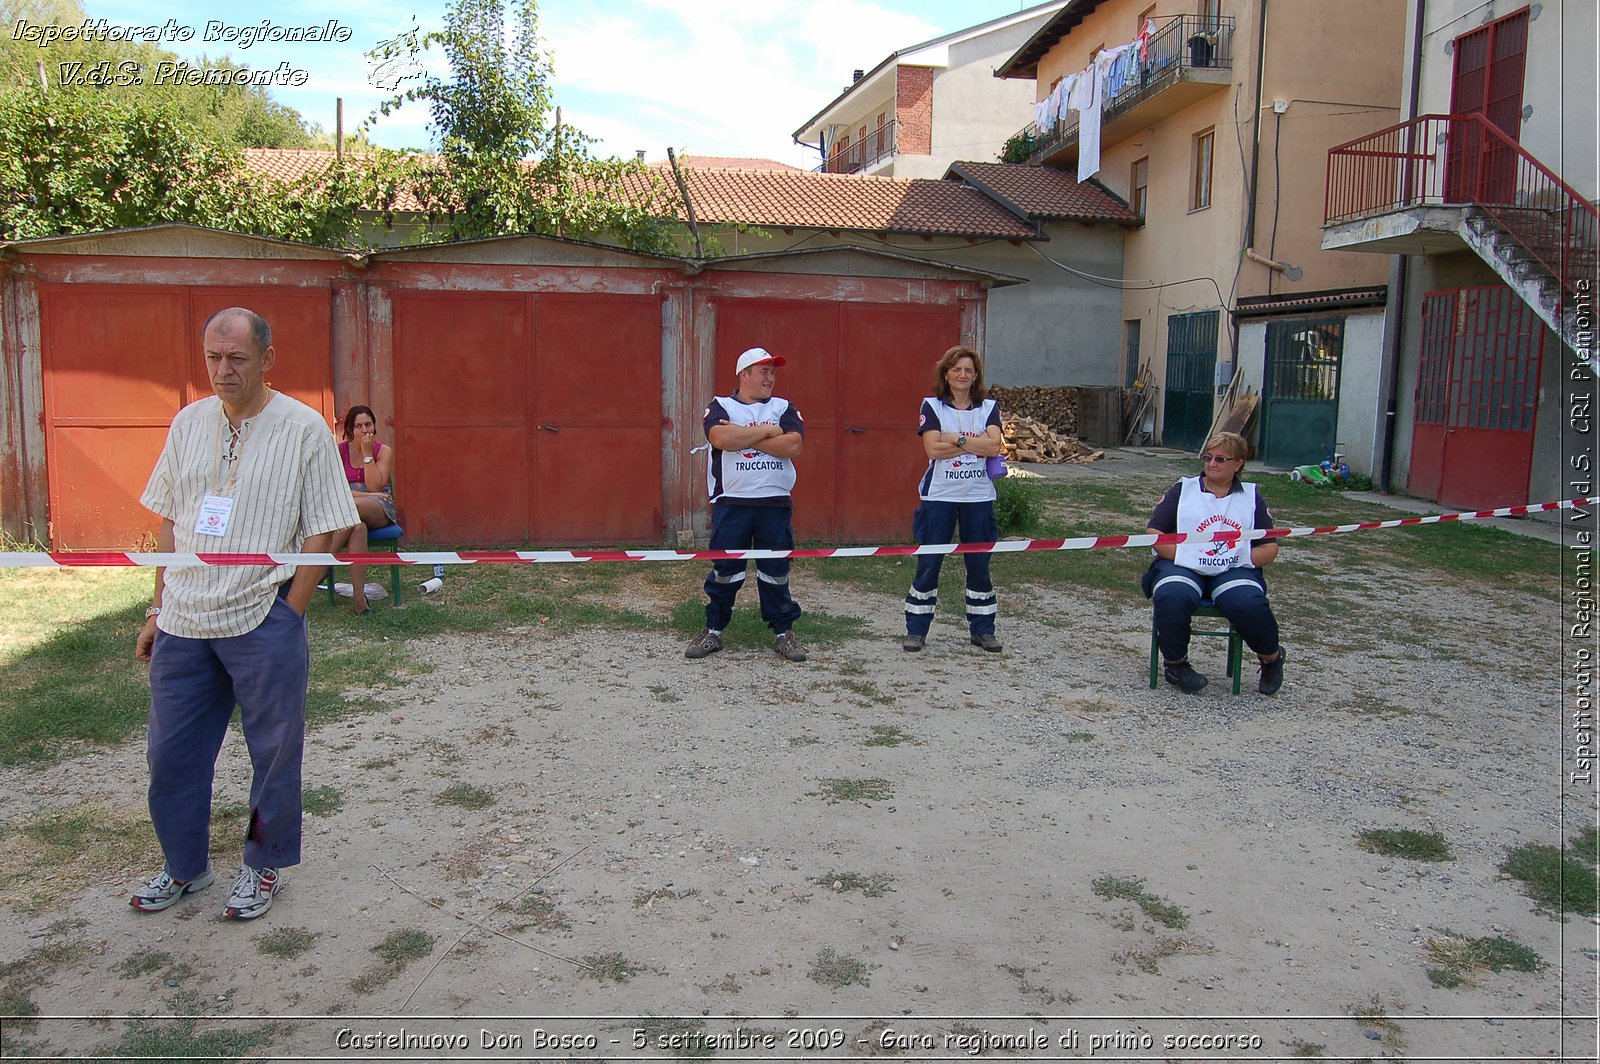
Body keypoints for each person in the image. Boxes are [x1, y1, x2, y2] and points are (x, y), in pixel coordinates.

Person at [130, 307, 360, 920]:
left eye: (236, 357)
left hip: (262, 617)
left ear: (267, 359)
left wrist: (291, 611)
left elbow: (330, 525)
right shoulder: (187, 423)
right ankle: (184, 867)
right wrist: (158, 606)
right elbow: (168, 518)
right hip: (184, 621)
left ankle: (262, 867)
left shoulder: (303, 428)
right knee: (171, 755)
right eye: (213, 357)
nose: (223, 370)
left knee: (274, 754)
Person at [685, 347, 807, 662]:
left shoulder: (783, 407)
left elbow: (792, 444)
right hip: (732, 503)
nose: (770, 378)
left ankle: (783, 633)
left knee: (776, 571)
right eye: (763, 371)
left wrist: (745, 436)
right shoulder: (721, 405)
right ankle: (714, 630)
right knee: (726, 570)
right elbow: (721, 438)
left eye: (773, 372)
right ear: (744, 375)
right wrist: (767, 432)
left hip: (774, 504)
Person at [1144, 431, 1286, 695]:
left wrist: (1243, 558)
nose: (1212, 464)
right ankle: (1176, 664)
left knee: (1248, 602)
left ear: (1238, 464)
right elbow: (1154, 534)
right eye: (1208, 457)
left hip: (1233, 566)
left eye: (1221, 459)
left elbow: (1269, 546)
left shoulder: (1251, 497)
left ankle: (1271, 658)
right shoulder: (1182, 490)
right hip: (1182, 563)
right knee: (1172, 594)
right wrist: (1186, 556)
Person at [903, 345, 1006, 652]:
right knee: (930, 562)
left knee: (979, 564)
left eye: (969, 371)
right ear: (946, 374)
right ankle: (916, 630)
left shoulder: (988, 407)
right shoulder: (932, 406)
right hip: (940, 496)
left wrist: (955, 438)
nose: (963, 375)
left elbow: (994, 447)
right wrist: (974, 443)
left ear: (976, 377)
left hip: (978, 497)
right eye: (957, 370)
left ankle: (983, 629)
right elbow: (932, 450)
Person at [330, 405, 398, 615]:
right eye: (358, 426)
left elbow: (376, 487)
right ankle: (360, 599)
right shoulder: (338, 451)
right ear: (350, 429)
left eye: (368, 424)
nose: (364, 430)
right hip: (348, 504)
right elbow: (335, 490)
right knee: (357, 527)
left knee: (353, 508)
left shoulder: (383, 451)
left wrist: (367, 454)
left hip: (378, 506)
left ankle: (322, 562)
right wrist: (366, 495)